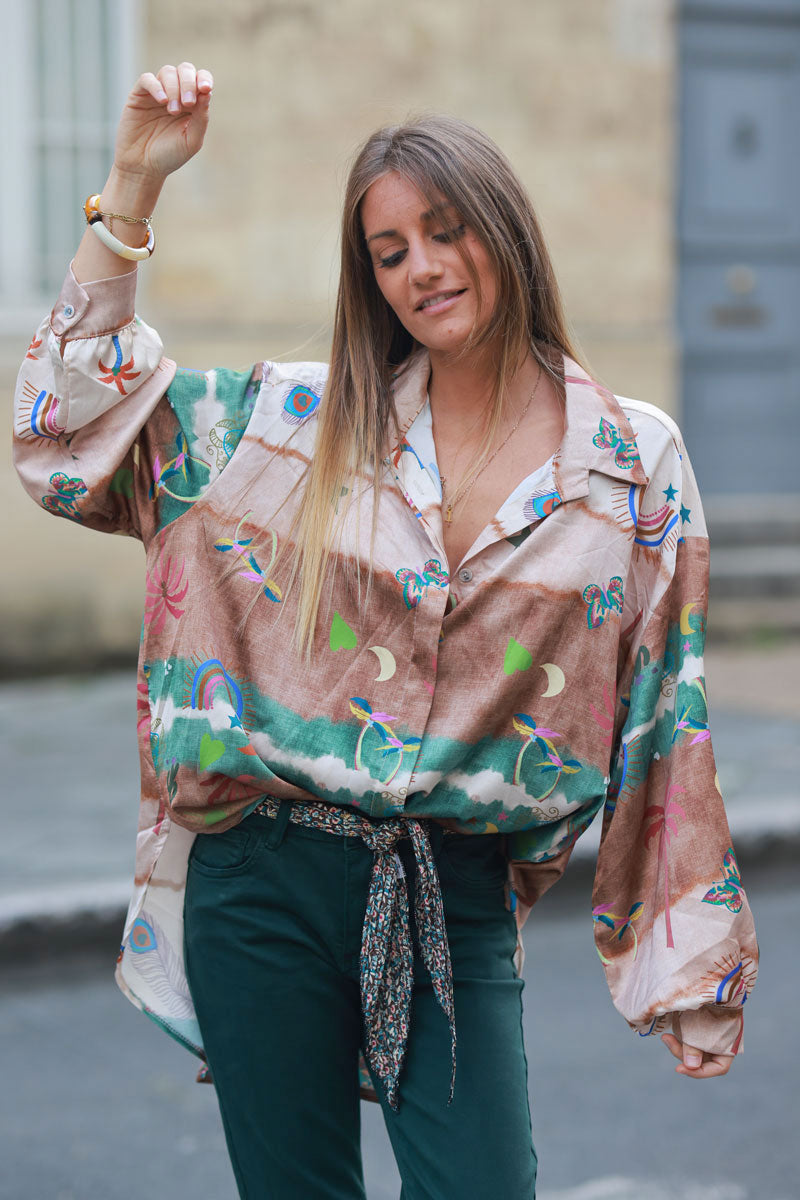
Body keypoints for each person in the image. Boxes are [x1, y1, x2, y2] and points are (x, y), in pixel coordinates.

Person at [13, 62, 758, 1200]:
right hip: (259, 877)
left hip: (449, 892)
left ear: (503, 233)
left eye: (444, 231)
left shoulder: (629, 461)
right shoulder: (293, 426)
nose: (420, 268)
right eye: (388, 250)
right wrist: (130, 188)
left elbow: (667, 704)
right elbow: (71, 437)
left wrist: (686, 962)